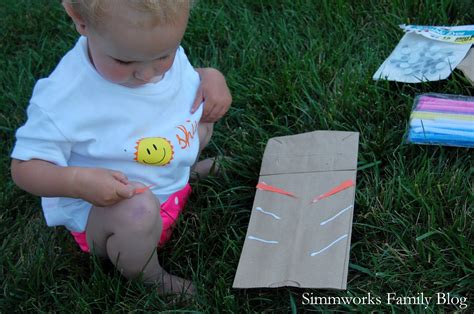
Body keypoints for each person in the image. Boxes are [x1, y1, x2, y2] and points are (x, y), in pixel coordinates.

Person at [10, 0, 232, 296]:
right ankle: (150, 276)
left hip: (159, 168)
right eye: (125, 62)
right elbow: (23, 168)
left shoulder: (144, 44)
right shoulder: (65, 97)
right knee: (136, 211)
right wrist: (77, 181)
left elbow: (186, 79)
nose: (147, 75)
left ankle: (184, 175)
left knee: (198, 113)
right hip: (115, 208)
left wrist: (211, 78)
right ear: (80, 20)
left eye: (164, 56)